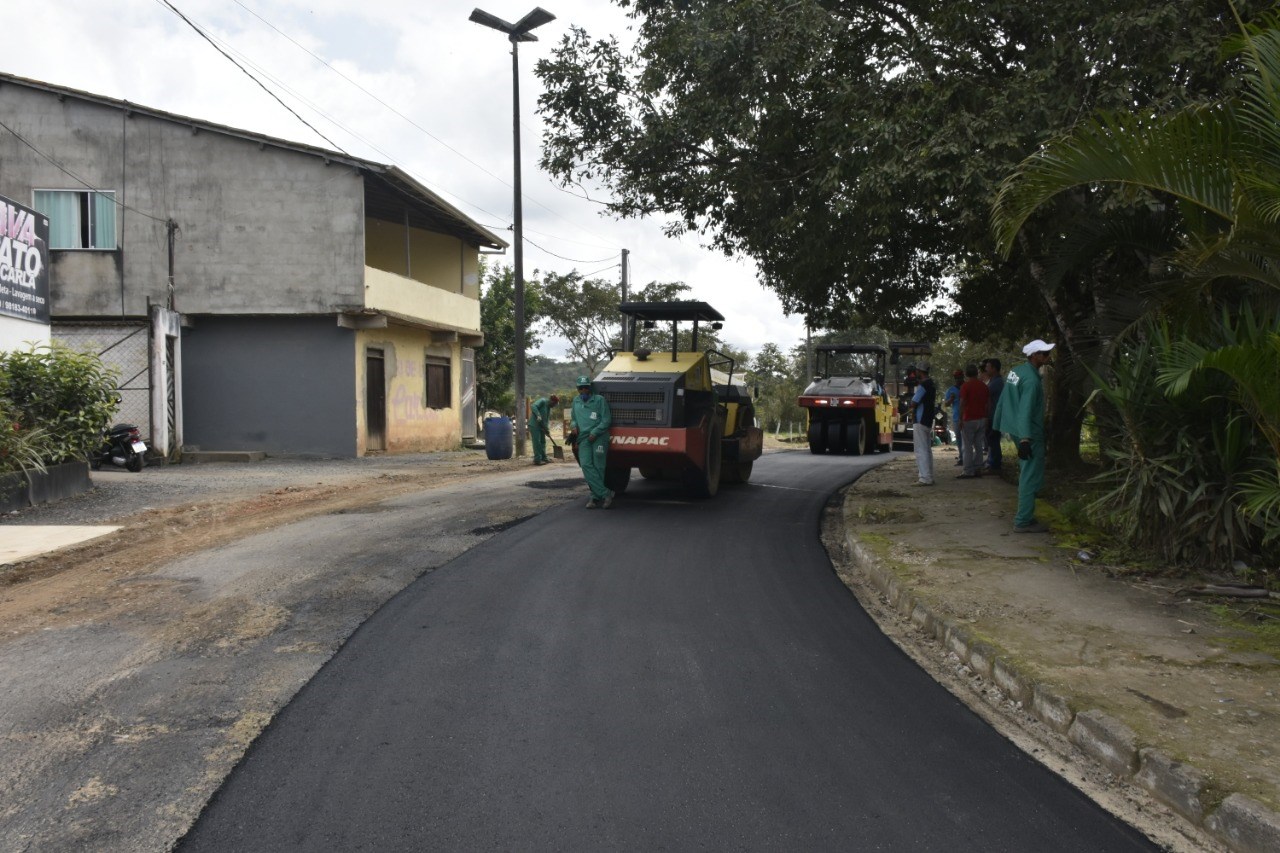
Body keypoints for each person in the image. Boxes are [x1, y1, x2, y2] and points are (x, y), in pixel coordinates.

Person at [993, 340, 1054, 532]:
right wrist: (1026, 439)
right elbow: (1025, 410)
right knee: (1030, 475)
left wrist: (999, 423)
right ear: (1034, 356)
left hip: (1016, 428)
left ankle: (1026, 516)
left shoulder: (1015, 372)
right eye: (1044, 353)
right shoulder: (1032, 381)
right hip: (1029, 433)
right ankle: (1023, 520)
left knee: (1027, 472)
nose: (1047, 356)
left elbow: (1005, 399)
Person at [568, 375, 613, 509]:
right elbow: (573, 419)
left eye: (586, 388)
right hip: (583, 438)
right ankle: (606, 493)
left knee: (599, 466)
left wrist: (595, 432)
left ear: (590, 388)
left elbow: (606, 420)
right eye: (580, 388)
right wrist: (573, 426)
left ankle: (594, 496)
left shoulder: (599, 400)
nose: (583, 391)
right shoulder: (576, 401)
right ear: (578, 389)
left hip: (598, 436)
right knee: (586, 465)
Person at [957, 363, 989, 478]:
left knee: (967, 446)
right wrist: (986, 417)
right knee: (979, 445)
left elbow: (962, 403)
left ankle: (968, 471)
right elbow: (987, 404)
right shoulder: (984, 386)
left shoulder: (965, 386)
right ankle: (977, 468)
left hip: (969, 419)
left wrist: (960, 419)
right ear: (977, 373)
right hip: (982, 418)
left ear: (966, 374)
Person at [910, 364, 937, 485]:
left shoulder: (923, 385)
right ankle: (928, 475)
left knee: (920, 449)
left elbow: (914, 402)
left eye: (916, 371)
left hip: (920, 419)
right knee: (926, 449)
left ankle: (925, 478)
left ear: (920, 372)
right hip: (928, 419)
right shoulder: (932, 384)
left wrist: (912, 406)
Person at [982, 358, 1004, 472]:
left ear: (994, 368)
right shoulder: (993, 381)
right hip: (991, 415)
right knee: (990, 439)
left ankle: (995, 464)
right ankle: (992, 461)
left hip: (994, 415)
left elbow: (985, 394)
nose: (986, 369)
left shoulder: (997, 382)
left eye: (988, 367)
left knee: (993, 439)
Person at [527, 394, 560, 465]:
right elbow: (533, 406)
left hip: (542, 426)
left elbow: (546, 420)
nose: (554, 406)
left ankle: (544, 457)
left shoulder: (548, 408)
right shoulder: (542, 401)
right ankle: (537, 459)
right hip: (534, 425)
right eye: (554, 404)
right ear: (551, 401)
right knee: (537, 442)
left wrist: (547, 430)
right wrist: (538, 415)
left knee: (543, 442)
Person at [943, 369, 964, 461]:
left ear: (963, 377)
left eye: (960, 377)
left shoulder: (966, 387)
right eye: (956, 378)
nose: (958, 379)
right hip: (956, 417)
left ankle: (967, 457)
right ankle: (961, 456)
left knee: (967, 439)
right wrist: (951, 400)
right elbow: (946, 404)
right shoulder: (951, 390)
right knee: (959, 438)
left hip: (967, 417)